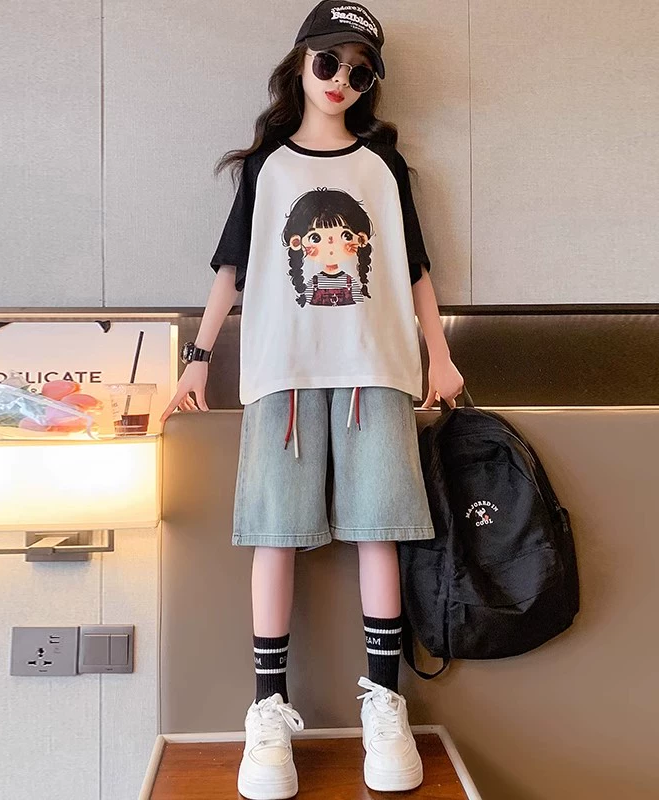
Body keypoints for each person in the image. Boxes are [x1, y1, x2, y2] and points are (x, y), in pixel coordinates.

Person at [161, 2, 464, 797]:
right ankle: (267, 716)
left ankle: (384, 709)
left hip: (377, 369)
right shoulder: (267, 168)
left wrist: (441, 356)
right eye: (327, 62)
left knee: (378, 531)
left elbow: (416, 270)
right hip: (280, 372)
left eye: (359, 72)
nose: (340, 81)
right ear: (299, 63)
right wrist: (198, 359)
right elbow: (231, 269)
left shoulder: (384, 167)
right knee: (275, 534)